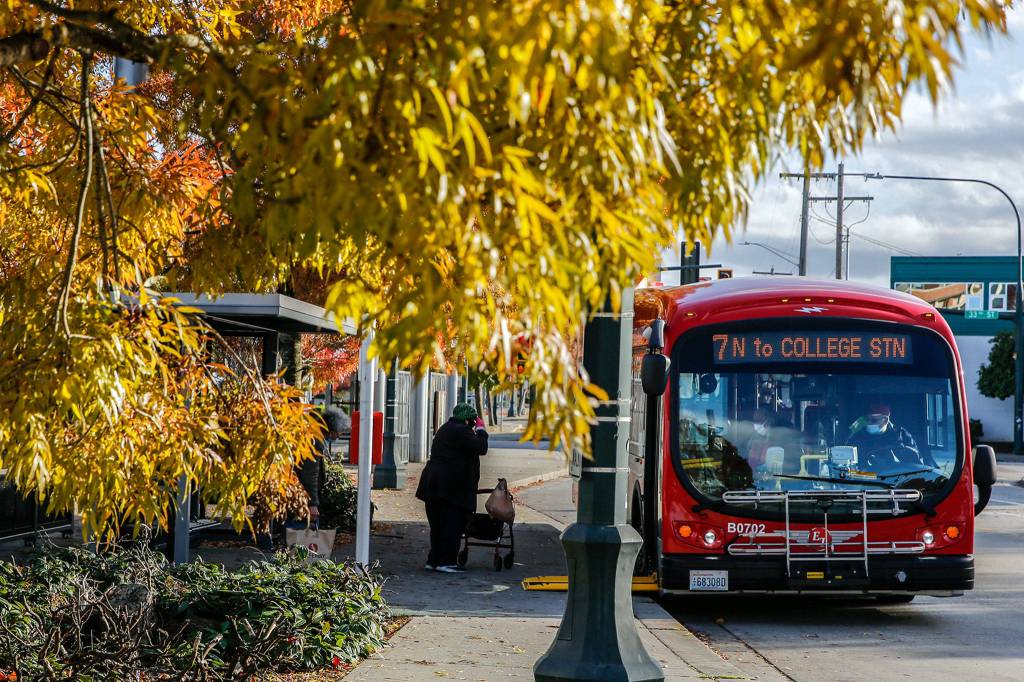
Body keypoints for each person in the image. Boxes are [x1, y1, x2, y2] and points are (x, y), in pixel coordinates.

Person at [415, 403, 489, 573]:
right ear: (469, 420)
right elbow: (481, 448)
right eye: (473, 421)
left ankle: (433, 560)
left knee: (438, 526)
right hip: (451, 487)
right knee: (453, 525)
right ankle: (446, 562)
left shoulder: (446, 428)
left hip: (433, 484)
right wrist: (482, 431)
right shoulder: (462, 431)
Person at [847, 403, 923, 467]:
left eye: (874, 420)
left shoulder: (901, 435)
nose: (869, 422)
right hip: (865, 479)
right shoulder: (857, 436)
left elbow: (916, 463)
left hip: (896, 479)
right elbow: (846, 463)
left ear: (885, 420)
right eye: (866, 420)